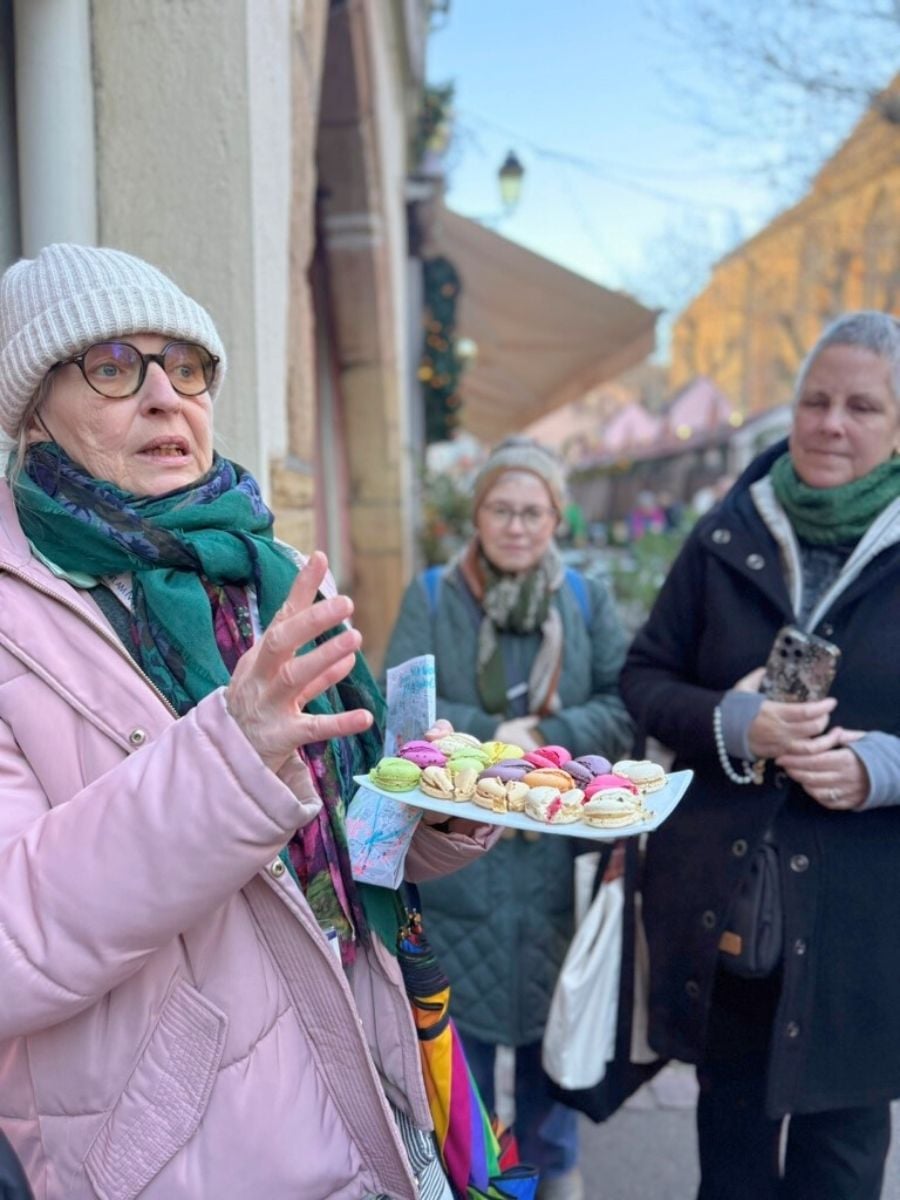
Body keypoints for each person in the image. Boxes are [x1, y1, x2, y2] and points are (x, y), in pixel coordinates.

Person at [0, 243, 501, 1200]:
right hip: (182, 1155)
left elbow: (341, 834)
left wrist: (433, 819)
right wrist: (228, 759)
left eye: (184, 366)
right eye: (112, 366)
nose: (163, 397)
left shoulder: (261, 569)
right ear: (33, 413)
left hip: (366, 1070)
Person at [620, 310, 900, 1199]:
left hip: (866, 930)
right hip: (731, 910)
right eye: (816, 400)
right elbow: (644, 676)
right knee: (731, 1161)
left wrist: (878, 769)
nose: (830, 423)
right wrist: (735, 722)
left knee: (843, 1168)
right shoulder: (727, 531)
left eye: (862, 407)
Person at [384, 436, 634, 1200]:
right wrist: (498, 743)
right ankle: (480, 1181)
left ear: (556, 517)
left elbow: (624, 707)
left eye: (532, 511)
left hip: (560, 867)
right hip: (466, 856)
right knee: (462, 1042)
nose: (517, 525)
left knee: (550, 1042)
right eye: (501, 508)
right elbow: (405, 715)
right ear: (479, 512)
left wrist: (547, 744)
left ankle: (554, 1176)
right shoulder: (432, 596)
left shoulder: (586, 602)